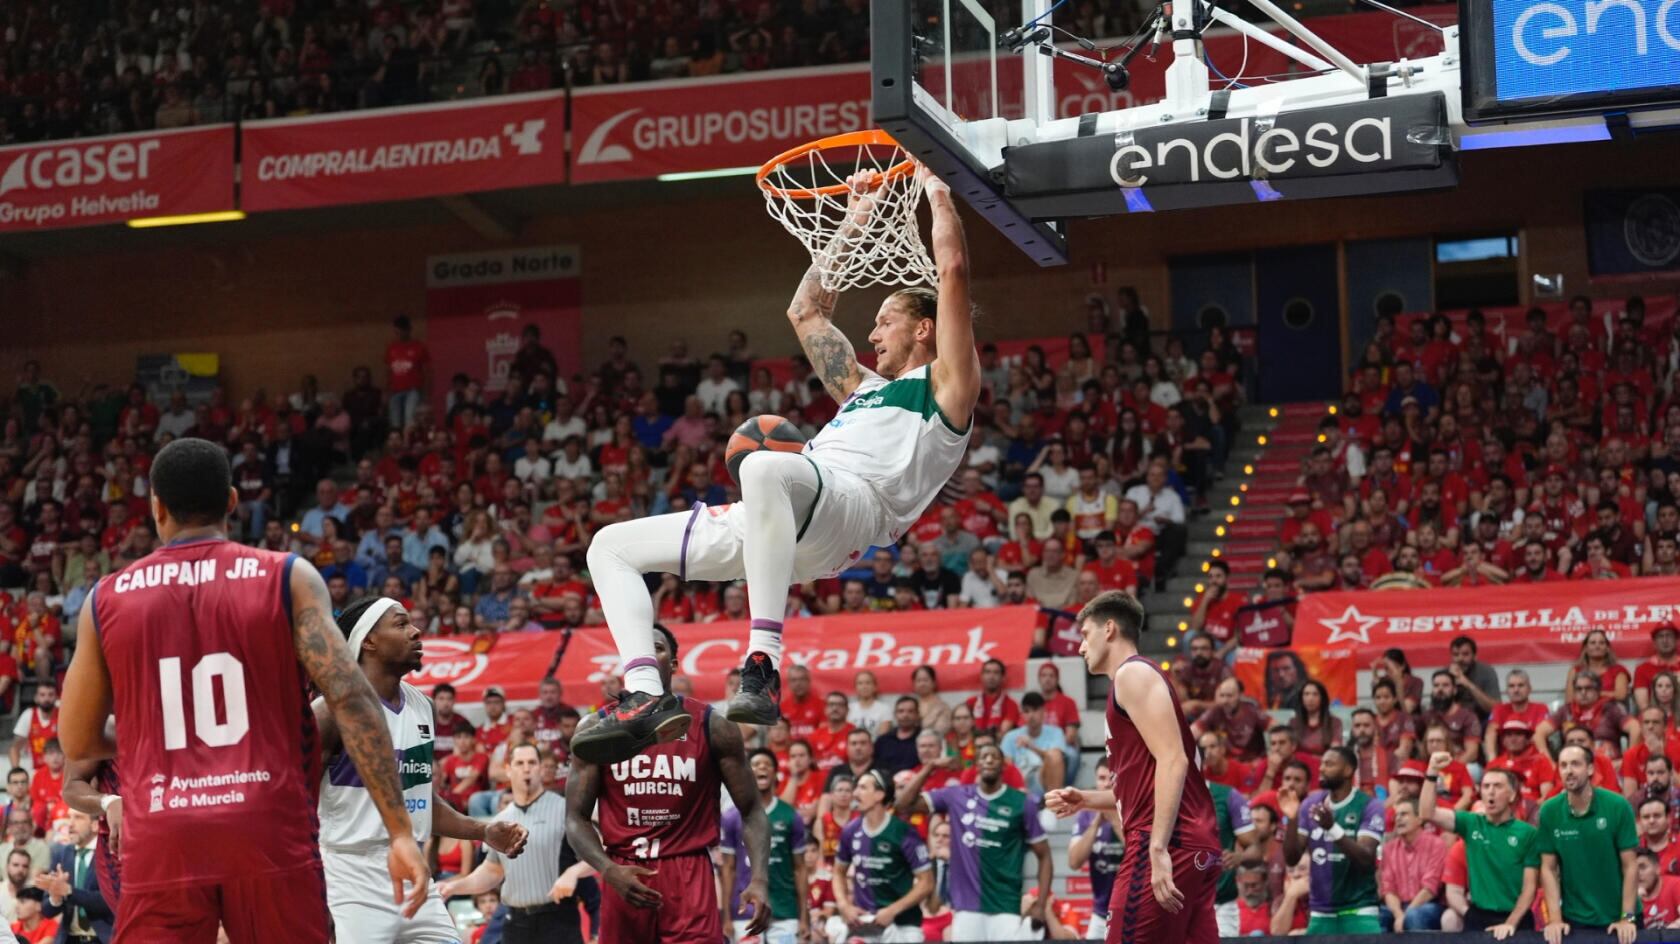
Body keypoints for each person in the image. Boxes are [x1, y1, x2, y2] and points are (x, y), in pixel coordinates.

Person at [573, 168, 981, 763]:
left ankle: (761, 665)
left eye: (885, 318)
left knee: (764, 466)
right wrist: (854, 217)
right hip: (786, 516)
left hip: (855, 509)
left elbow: (953, 272)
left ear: (924, 327)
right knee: (609, 546)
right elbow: (805, 312)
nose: (871, 332)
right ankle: (644, 694)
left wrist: (937, 188)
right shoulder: (863, 388)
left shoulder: (946, 385)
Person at [57, 438, 427, 943]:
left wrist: (158, 737)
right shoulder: (289, 577)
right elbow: (353, 699)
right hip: (268, 826)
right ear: (233, 501)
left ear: (156, 507)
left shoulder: (106, 599)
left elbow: (77, 742)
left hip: (163, 832)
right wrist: (401, 831)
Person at [315, 597, 530, 943]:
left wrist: (483, 831)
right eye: (400, 624)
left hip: (412, 871)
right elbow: (293, 806)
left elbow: (421, 802)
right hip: (349, 875)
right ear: (368, 640)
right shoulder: (331, 709)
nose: (416, 632)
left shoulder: (422, 706)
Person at [565, 624, 771, 943]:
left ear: (673, 663)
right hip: (624, 872)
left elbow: (752, 809)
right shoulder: (595, 728)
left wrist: (759, 877)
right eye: (640, 650)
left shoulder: (713, 726)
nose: (648, 657)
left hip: (689, 874)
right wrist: (606, 869)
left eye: (657, 649)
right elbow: (575, 818)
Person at [1045, 591, 1221, 944]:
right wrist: (1087, 799)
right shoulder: (1137, 680)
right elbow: (1151, 779)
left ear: (1109, 629)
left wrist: (1157, 849)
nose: (1080, 648)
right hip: (1195, 842)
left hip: (1167, 841)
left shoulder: (1132, 674)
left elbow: (1175, 760)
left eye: (1084, 634)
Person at [896, 743, 1052, 940]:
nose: (988, 760)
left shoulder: (1021, 803)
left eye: (994, 757)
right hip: (966, 910)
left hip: (1006, 908)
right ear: (976, 765)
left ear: (1003, 765)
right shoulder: (956, 796)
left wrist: (1040, 904)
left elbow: (1044, 855)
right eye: (984, 757)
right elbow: (903, 804)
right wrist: (931, 766)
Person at [437, 744, 584, 944]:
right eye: (520, 763)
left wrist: (573, 872)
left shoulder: (564, 809)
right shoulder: (500, 821)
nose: (526, 768)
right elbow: (492, 872)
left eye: (532, 762)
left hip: (558, 919)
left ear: (541, 768)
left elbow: (598, 855)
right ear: (508, 770)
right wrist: (453, 887)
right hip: (516, 922)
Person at [1419, 755, 1538, 936]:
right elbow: (1426, 812)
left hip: (1517, 918)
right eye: (1486, 786)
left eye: (1497, 786)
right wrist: (1432, 771)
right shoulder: (1470, 823)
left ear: (1512, 794)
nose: (1490, 792)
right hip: (1478, 916)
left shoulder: (1528, 833)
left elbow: (1530, 887)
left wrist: (1510, 924)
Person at [1538, 744, 1640, 944]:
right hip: (1576, 920)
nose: (1568, 771)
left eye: (1575, 764)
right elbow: (1548, 869)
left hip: (1621, 918)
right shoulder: (1549, 811)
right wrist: (1555, 920)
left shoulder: (1618, 806)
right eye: (1563, 765)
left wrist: (1627, 919)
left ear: (1591, 769)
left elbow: (1630, 866)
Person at [1284, 747, 1384, 934]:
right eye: (1322, 763)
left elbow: (1366, 858)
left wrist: (1332, 828)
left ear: (1347, 770)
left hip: (1359, 910)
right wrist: (1291, 818)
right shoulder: (1310, 804)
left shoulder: (1369, 805)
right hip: (1321, 913)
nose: (1321, 768)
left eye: (1329, 764)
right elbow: (1292, 858)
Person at [828, 769, 932, 943]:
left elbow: (926, 882)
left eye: (862, 788)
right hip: (867, 924)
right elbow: (838, 872)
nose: (855, 793)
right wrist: (844, 905)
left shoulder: (904, 832)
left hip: (904, 924)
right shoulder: (850, 831)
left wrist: (892, 910)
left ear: (879, 794)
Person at [721, 749, 810, 944]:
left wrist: (804, 917)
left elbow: (800, 869)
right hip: (744, 912)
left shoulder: (790, 816)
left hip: (785, 912)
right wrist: (726, 915)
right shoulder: (731, 817)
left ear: (775, 773)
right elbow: (727, 869)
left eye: (767, 764)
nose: (762, 767)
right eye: (756, 764)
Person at [1069, 759, 1125, 941]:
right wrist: (1095, 825)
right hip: (1100, 913)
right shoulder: (1086, 814)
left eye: (1111, 778)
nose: (1106, 783)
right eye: (1101, 778)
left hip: (1134, 911)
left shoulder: (1132, 811)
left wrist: (1115, 821)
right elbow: (1074, 862)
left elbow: (1144, 857)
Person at [36, 807, 108, 942]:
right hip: (70, 939)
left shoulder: (109, 855)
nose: (70, 823)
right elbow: (47, 911)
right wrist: (55, 897)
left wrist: (68, 891)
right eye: (69, 817)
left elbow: (110, 901)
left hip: (103, 939)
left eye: (78, 817)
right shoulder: (61, 854)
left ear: (95, 825)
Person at [1379, 799, 1447, 930]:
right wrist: (1399, 914)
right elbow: (1388, 888)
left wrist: (1406, 914)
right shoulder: (1389, 848)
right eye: (1396, 815)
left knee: (1414, 916)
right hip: (1397, 906)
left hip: (1428, 904)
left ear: (1419, 819)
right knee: (1377, 917)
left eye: (1404, 814)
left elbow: (1430, 888)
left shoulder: (1436, 845)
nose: (1398, 819)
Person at [999, 693, 1073, 796]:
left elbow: (1056, 761)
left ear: (1043, 711)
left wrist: (1032, 747)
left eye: (1035, 710)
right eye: (1026, 711)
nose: (1031, 715)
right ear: (1022, 714)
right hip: (1020, 781)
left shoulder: (1056, 732)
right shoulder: (1010, 737)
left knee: (1055, 755)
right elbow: (1007, 767)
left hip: (1044, 778)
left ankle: (1053, 805)